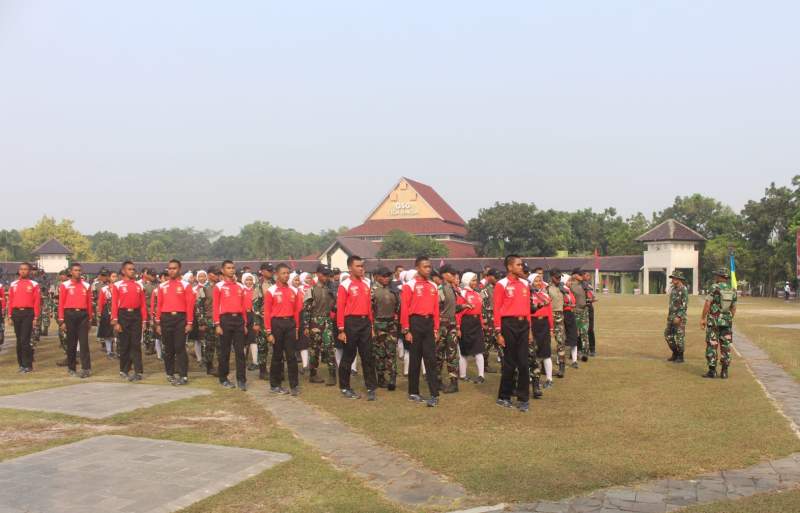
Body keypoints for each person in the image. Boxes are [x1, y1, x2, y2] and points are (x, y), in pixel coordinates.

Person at [494, 255, 533, 413]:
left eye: (521, 264)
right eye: (518, 264)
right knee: (510, 362)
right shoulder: (501, 284)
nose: (521, 267)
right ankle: (504, 396)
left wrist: (529, 329)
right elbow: (497, 309)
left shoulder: (525, 284)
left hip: (523, 325)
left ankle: (523, 399)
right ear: (509, 267)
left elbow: (528, 309)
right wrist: (498, 332)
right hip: (508, 325)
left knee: (524, 363)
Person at [337, 255, 378, 400]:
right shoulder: (345, 285)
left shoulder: (367, 283)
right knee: (349, 355)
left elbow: (369, 307)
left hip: (365, 322)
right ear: (350, 268)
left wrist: (371, 325)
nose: (362, 269)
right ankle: (344, 387)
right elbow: (340, 308)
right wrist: (341, 329)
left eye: (362, 266)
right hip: (350, 323)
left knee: (368, 356)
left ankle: (371, 387)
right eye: (358, 266)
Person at [401, 256, 440, 407]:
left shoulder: (433, 286)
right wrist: (406, 330)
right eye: (425, 267)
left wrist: (436, 328)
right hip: (414, 323)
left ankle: (434, 394)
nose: (428, 269)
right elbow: (404, 308)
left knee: (431, 359)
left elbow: (436, 309)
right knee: (415, 360)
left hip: (428, 323)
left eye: (429, 266)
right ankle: (413, 392)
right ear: (417, 268)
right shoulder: (409, 285)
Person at [264, 263, 304, 395]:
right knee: (277, 356)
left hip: (290, 325)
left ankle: (294, 385)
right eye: (283, 273)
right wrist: (269, 332)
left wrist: (297, 328)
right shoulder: (271, 291)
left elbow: (297, 312)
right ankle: (275, 385)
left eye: (288, 273)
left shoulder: (294, 290)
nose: (286, 275)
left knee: (291, 356)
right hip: (277, 324)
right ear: (277, 274)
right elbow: (267, 313)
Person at [155, 260, 195, 386]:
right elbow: (159, 305)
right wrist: (158, 323)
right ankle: (170, 373)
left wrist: (189, 322)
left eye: (174, 268)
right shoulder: (162, 286)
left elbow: (190, 305)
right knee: (168, 348)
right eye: (169, 268)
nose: (171, 270)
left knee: (180, 347)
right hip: (166, 319)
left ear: (179, 269)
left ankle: (183, 375)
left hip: (180, 318)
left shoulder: (185, 285)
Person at [214, 260, 248, 390]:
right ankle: (223, 378)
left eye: (233, 268)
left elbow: (244, 307)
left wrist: (244, 323)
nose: (231, 270)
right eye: (228, 268)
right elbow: (215, 306)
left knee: (240, 352)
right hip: (225, 320)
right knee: (225, 351)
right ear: (223, 270)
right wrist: (217, 324)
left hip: (238, 320)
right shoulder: (219, 286)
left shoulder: (240, 286)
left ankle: (241, 379)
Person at [112, 261, 147, 381]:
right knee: (124, 344)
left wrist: (144, 321)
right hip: (123, 315)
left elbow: (143, 304)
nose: (132, 271)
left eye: (133, 269)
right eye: (129, 269)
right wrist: (115, 321)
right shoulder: (117, 285)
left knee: (136, 344)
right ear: (123, 271)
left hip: (136, 315)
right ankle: (124, 369)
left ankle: (138, 371)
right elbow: (114, 304)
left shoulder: (139, 285)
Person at [303, 264, 337, 385]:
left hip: (327, 320)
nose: (326, 277)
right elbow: (306, 309)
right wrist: (306, 326)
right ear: (318, 274)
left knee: (329, 347)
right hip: (315, 322)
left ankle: (333, 375)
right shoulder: (311, 290)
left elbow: (335, 306)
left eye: (328, 275)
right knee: (314, 349)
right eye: (324, 275)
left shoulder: (331, 290)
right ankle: (313, 374)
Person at [58, 263, 93, 378]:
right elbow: (61, 303)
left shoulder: (87, 286)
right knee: (71, 343)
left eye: (79, 270)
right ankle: (71, 367)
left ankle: (86, 368)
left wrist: (90, 318)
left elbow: (89, 303)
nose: (78, 272)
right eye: (76, 270)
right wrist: (61, 320)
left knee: (84, 343)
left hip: (83, 315)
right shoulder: (65, 285)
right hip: (70, 314)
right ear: (71, 272)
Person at [701, 268, 737, 379]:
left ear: (719, 277)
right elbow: (734, 307)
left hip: (714, 321)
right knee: (725, 346)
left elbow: (708, 303)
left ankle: (712, 371)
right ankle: (724, 371)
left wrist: (703, 318)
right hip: (726, 321)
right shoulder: (732, 289)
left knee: (712, 345)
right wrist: (729, 318)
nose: (715, 277)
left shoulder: (714, 287)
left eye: (716, 275)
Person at [8, 262, 41, 373]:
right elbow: (10, 301)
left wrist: (36, 317)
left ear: (29, 271)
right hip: (16, 313)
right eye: (21, 269)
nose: (23, 271)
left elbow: (37, 302)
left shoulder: (34, 284)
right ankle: (21, 364)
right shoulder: (13, 284)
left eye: (25, 269)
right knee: (18, 341)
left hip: (28, 313)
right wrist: (10, 315)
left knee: (24, 340)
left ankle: (28, 365)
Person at [371, 266, 400, 390]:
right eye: (383, 276)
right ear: (377, 277)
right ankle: (381, 377)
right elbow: (369, 310)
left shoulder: (394, 290)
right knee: (379, 353)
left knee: (391, 351)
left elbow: (399, 307)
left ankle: (392, 377)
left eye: (388, 276)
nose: (386, 278)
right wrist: (371, 327)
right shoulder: (372, 291)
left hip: (391, 324)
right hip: (378, 324)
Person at [437, 265, 462, 394]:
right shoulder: (441, 289)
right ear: (444, 275)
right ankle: (437, 381)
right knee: (439, 355)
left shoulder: (452, 289)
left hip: (451, 325)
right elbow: (436, 309)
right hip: (442, 326)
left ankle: (453, 383)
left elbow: (451, 308)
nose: (454, 276)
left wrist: (463, 306)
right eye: (451, 274)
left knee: (452, 355)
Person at [457, 271, 485, 384]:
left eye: (476, 280)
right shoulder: (462, 293)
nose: (475, 282)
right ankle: (463, 375)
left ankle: (481, 375)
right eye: (473, 280)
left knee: (479, 350)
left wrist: (482, 324)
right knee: (464, 351)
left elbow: (480, 312)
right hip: (466, 323)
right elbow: (458, 313)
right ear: (467, 281)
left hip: (476, 323)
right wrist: (458, 327)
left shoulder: (477, 294)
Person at [530, 273, 554, 392]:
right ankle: (533, 379)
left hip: (544, 325)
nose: (538, 283)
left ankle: (549, 379)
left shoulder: (545, 295)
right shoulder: (528, 296)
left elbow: (549, 313)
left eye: (540, 281)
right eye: (535, 281)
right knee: (533, 353)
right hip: (533, 325)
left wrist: (551, 328)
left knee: (546, 352)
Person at [665, 270, 689, 363]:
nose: (672, 279)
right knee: (667, 335)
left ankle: (680, 356)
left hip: (679, 318)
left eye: (674, 278)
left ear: (679, 279)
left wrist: (678, 317)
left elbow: (684, 305)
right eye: (672, 278)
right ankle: (675, 353)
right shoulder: (673, 289)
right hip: (671, 317)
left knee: (679, 337)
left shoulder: (683, 289)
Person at [547, 270, 567, 378]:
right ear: (551, 277)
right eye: (556, 277)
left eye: (560, 277)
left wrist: (565, 292)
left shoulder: (562, 288)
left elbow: (569, 301)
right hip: (550, 316)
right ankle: (544, 366)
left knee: (560, 342)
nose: (558, 279)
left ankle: (561, 368)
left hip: (560, 316)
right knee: (546, 343)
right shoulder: (547, 289)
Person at [481, 268, 501, 373]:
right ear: (489, 277)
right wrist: (484, 319)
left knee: (501, 342)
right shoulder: (484, 290)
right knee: (487, 342)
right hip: (489, 317)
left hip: (499, 317)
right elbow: (482, 305)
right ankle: (485, 365)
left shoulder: (501, 287)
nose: (497, 278)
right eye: (494, 276)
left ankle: (504, 365)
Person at [200, 266, 219, 376]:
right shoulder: (203, 289)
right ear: (209, 275)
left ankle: (221, 366)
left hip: (221, 320)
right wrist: (202, 322)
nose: (217, 276)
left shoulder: (221, 287)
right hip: (209, 319)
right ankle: (209, 367)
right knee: (210, 345)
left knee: (221, 345)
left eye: (218, 274)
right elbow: (199, 306)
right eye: (215, 273)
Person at [570, 269, 590, 363]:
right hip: (575, 312)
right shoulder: (570, 285)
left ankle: (585, 352)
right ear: (575, 275)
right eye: (580, 275)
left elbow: (590, 295)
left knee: (584, 332)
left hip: (584, 311)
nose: (582, 276)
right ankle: (575, 352)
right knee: (576, 333)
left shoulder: (584, 285)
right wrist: (572, 277)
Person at [97, 271, 118, 359]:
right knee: (107, 332)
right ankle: (109, 351)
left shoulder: (119, 287)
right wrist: (100, 312)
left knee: (117, 332)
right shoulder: (104, 289)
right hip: (106, 311)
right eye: (113, 276)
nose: (115, 278)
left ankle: (118, 351)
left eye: (116, 276)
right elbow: (101, 302)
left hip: (117, 311)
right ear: (109, 277)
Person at [138, 268, 158, 356]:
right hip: (147, 309)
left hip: (157, 310)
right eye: (151, 275)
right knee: (147, 329)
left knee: (155, 329)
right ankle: (148, 346)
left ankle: (155, 347)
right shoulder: (144, 286)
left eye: (154, 275)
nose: (153, 277)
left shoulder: (159, 285)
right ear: (148, 275)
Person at [581, 271, 598, 356]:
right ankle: (582, 349)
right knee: (581, 329)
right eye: (587, 275)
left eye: (589, 276)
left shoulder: (589, 286)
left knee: (590, 329)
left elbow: (593, 297)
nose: (589, 277)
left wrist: (590, 299)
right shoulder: (579, 286)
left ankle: (592, 349)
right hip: (581, 308)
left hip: (589, 307)